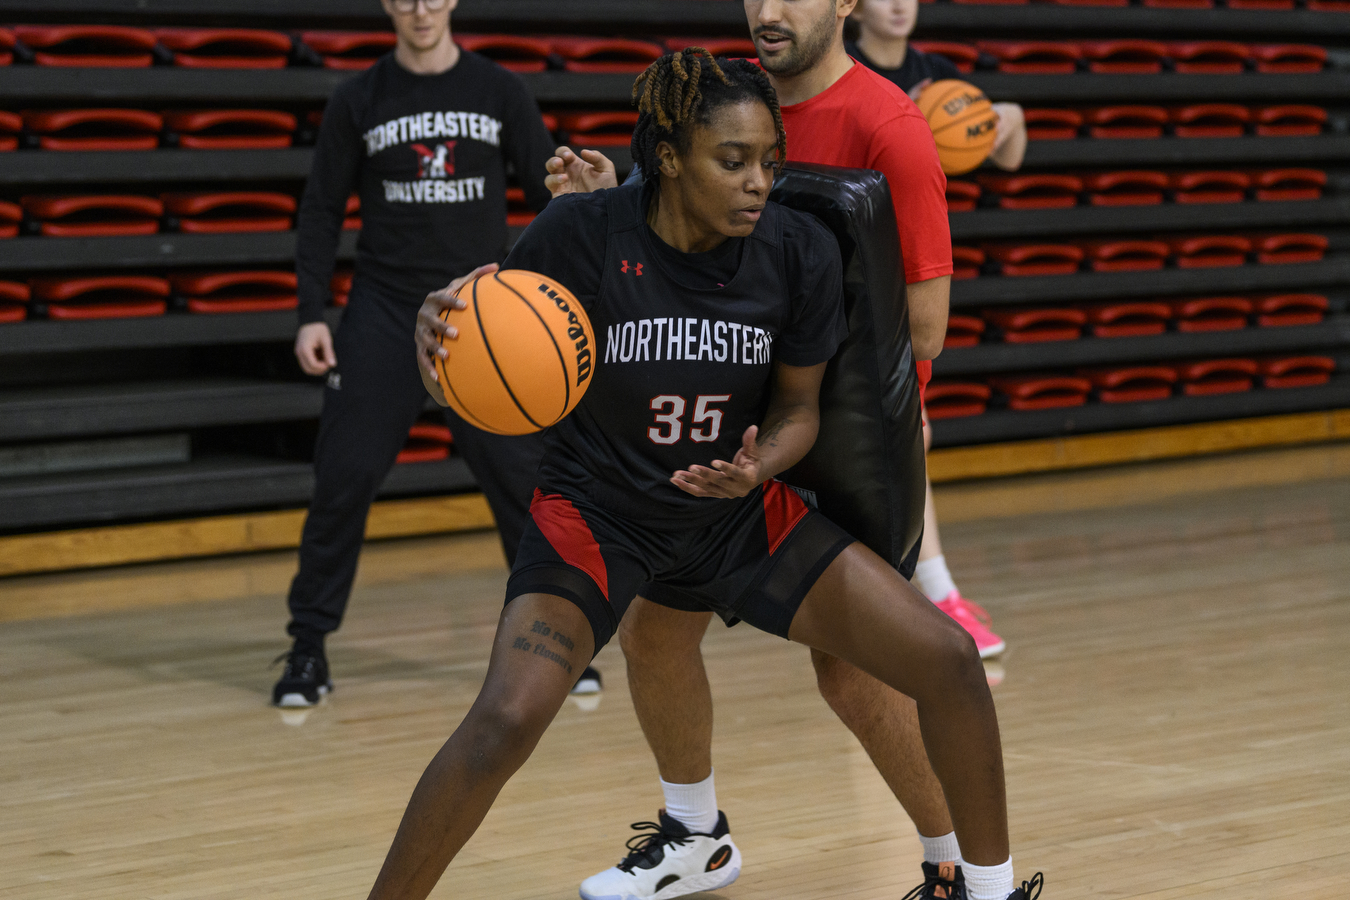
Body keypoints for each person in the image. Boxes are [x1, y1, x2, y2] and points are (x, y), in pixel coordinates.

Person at [380, 50, 1038, 900]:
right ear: (666, 157)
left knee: (947, 657)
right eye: (733, 162)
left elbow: (800, 410)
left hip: (734, 517)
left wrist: (760, 462)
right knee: (507, 715)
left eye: (770, 161)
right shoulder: (582, 233)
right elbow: (480, 362)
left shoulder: (795, 251)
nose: (758, 182)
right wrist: (440, 334)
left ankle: (989, 890)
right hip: (599, 513)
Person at [546, 2, 999, 898]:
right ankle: (694, 834)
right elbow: (676, 230)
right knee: (655, 629)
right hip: (726, 422)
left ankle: (950, 865)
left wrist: (781, 268)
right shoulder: (729, 96)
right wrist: (617, 202)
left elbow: (929, 326)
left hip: (841, 443)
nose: (768, 9)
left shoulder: (890, 127)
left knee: (854, 673)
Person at [270, 0, 604, 707]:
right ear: (388, 4)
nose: (421, 9)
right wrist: (310, 314)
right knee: (344, 477)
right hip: (386, 312)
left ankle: (561, 641)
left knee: (523, 486)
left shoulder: (500, 90)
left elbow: (550, 197)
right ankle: (306, 647)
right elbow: (322, 209)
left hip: (478, 314)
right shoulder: (357, 99)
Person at [851, 0, 1029, 653]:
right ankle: (932, 593)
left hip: (919, 269)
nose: (899, 4)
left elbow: (1008, 154)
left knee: (910, 437)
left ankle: (930, 591)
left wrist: (1002, 117)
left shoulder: (938, 71)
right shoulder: (846, 76)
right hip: (857, 270)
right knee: (905, 439)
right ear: (853, 6)